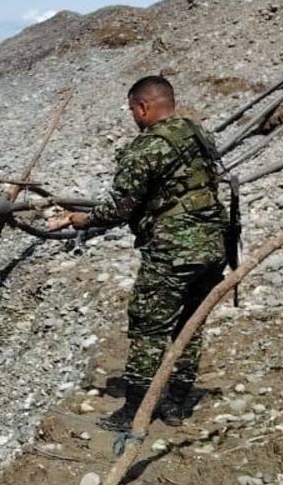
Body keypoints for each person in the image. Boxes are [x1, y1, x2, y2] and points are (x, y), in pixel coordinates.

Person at [49, 76, 228, 429]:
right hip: (213, 245)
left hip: (173, 252)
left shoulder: (146, 148)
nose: (132, 117)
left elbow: (119, 209)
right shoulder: (198, 132)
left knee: (149, 327)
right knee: (190, 324)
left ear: (144, 107)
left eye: (132, 110)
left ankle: (132, 411)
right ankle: (176, 404)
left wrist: (81, 220)